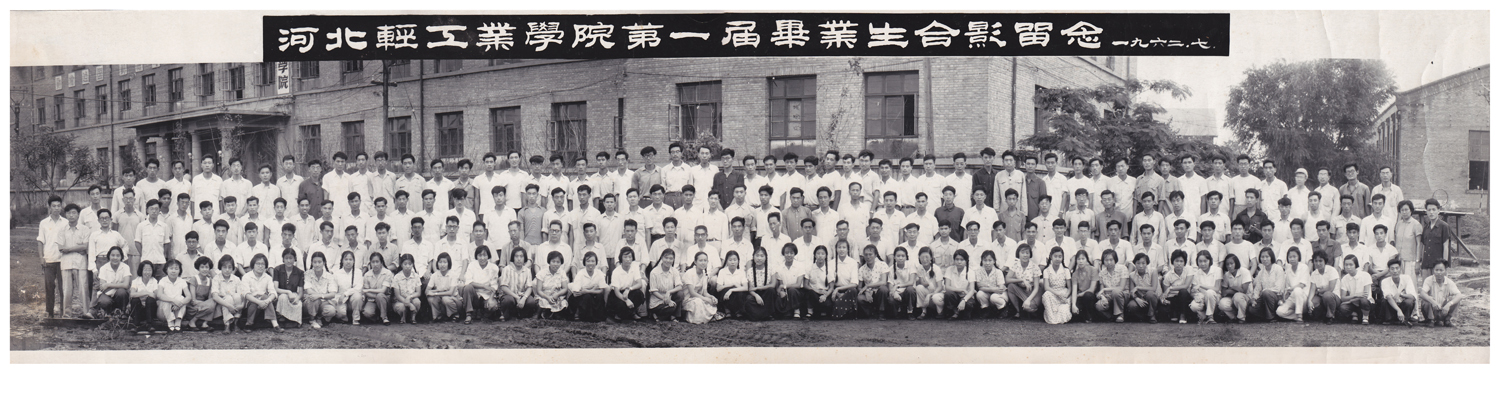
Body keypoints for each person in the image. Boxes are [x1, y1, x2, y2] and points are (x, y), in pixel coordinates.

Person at [240, 254, 283, 332]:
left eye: (263, 264)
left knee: (265, 297)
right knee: (254, 300)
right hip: (251, 304)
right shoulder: (246, 277)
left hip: (265, 304)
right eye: (258, 264)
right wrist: (258, 302)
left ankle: (275, 325)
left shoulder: (268, 277)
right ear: (253, 265)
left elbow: (273, 293)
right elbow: (246, 294)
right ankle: (249, 324)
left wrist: (267, 301)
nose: (260, 266)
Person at [461, 246, 500, 323]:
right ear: (476, 256)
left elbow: (494, 287)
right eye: (480, 255)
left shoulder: (493, 267)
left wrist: (491, 299)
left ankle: (481, 312)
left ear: (488, 256)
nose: (482, 258)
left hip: (487, 295)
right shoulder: (472, 265)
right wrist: (483, 286)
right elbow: (469, 282)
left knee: (492, 307)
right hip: (474, 295)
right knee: (467, 287)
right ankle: (469, 314)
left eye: (484, 255)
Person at [91, 246, 133, 317]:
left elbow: (126, 285)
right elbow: (102, 287)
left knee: (121, 292)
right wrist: (119, 285)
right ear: (109, 256)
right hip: (107, 294)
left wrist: (108, 285)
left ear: (121, 257)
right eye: (113, 255)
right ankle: (108, 312)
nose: (115, 258)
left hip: (119, 295)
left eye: (118, 255)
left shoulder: (125, 267)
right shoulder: (103, 268)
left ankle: (122, 312)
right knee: (104, 301)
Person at [1036, 246, 1073, 324]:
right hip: (1052, 294)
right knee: (1046, 295)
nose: (1057, 259)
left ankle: (1059, 317)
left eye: (1060, 257)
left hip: (1063, 294)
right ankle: (1052, 319)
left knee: (1063, 311)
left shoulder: (1066, 270)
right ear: (1051, 257)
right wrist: (1057, 293)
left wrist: (1066, 295)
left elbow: (1070, 288)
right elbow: (1046, 287)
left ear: (1062, 258)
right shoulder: (1046, 271)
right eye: (1055, 256)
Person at [1420, 261, 1464, 327]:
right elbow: (1422, 293)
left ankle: (1447, 320)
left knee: (1455, 299)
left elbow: (1459, 295)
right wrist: (1432, 302)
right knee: (1425, 300)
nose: (1438, 272)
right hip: (1432, 310)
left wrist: (1449, 304)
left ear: (1445, 271)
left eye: (1441, 270)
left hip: (1444, 310)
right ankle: (1430, 320)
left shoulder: (1449, 282)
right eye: (1436, 270)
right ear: (1433, 270)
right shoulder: (1428, 280)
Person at [608, 247, 646, 321]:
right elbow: (616, 292)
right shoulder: (616, 271)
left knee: (639, 294)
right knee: (621, 304)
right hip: (618, 295)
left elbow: (639, 284)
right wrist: (626, 300)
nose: (628, 259)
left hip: (628, 291)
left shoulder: (634, 268)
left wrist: (629, 289)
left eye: (630, 257)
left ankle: (632, 312)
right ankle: (619, 314)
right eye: (625, 257)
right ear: (621, 258)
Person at [302, 252, 339, 329]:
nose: (317, 265)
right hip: (311, 302)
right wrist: (319, 296)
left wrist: (319, 296)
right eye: (315, 262)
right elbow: (309, 291)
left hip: (323, 302)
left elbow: (333, 294)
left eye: (319, 262)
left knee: (331, 310)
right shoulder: (307, 274)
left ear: (324, 263)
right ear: (312, 263)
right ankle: (312, 319)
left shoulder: (329, 276)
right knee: (313, 299)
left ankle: (319, 317)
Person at [569, 252, 609, 322]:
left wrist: (588, 291)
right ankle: (584, 316)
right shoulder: (580, 273)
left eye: (593, 261)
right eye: (588, 261)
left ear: (596, 263)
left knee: (599, 296)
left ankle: (598, 317)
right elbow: (575, 293)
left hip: (592, 295)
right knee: (587, 297)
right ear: (584, 262)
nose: (590, 263)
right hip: (581, 298)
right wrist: (592, 290)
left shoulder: (599, 273)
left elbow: (601, 290)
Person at [154, 260, 192, 332]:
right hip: (163, 313)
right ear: (166, 269)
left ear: (179, 270)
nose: (173, 271)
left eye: (176, 269)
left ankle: (178, 321)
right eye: (171, 268)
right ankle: (170, 321)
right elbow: (159, 295)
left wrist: (180, 303)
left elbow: (188, 296)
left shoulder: (182, 281)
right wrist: (173, 301)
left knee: (181, 298)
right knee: (166, 299)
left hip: (177, 311)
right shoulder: (163, 280)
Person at [1335, 254, 1374, 324]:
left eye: (1351, 265)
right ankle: (1355, 315)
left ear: (1355, 265)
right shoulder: (1344, 279)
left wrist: (1350, 299)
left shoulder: (1365, 275)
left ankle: (1365, 317)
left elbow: (1365, 295)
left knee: (1363, 301)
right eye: (1346, 265)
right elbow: (1343, 298)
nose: (1348, 267)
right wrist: (1356, 296)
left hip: (1365, 303)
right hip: (1353, 303)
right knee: (1342, 307)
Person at [210, 255, 244, 333]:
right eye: (224, 267)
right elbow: (215, 296)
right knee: (228, 298)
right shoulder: (216, 278)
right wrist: (229, 306)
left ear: (233, 268)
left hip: (235, 304)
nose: (227, 270)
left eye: (230, 267)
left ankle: (236, 323)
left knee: (237, 296)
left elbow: (241, 294)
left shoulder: (236, 279)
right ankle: (227, 324)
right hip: (221, 304)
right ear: (220, 268)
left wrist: (242, 305)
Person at [857, 245, 892, 320]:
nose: (868, 257)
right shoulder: (862, 269)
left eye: (870, 254)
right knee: (859, 298)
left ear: (875, 255)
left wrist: (868, 286)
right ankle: (871, 312)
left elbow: (883, 282)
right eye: (866, 255)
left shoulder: (882, 265)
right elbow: (859, 287)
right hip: (869, 294)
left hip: (880, 293)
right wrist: (866, 292)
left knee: (883, 289)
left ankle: (882, 312)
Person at [1379, 259, 1419, 326]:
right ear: (1389, 270)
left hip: (1403, 306)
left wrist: (1401, 294)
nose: (1395, 271)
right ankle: (1390, 319)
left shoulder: (1407, 278)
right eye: (1392, 269)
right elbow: (1389, 297)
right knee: (1384, 301)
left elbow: (1412, 296)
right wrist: (1398, 310)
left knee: (1409, 301)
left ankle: (1405, 319)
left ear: (1400, 269)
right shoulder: (1384, 281)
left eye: (1397, 268)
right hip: (1392, 307)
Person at [272, 248, 305, 328]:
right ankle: (282, 318)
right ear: (283, 259)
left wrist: (297, 298)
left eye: (291, 258)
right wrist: (288, 292)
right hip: (280, 294)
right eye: (286, 258)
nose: (289, 261)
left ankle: (293, 321)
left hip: (294, 294)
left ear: (294, 259)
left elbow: (301, 292)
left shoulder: (300, 272)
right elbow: (276, 288)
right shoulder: (277, 269)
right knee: (283, 297)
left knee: (298, 303)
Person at [1161, 250, 1196, 323]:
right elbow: (1166, 293)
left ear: (1184, 263)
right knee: (1163, 311)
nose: (1179, 264)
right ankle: (1174, 313)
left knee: (1183, 292)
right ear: (1172, 262)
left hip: (1185, 297)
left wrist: (1171, 288)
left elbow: (1186, 286)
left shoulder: (1189, 270)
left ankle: (1183, 315)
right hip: (1173, 299)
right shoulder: (1168, 275)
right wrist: (1164, 299)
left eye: (1181, 261)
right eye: (1176, 261)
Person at [426, 252, 463, 322]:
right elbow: (427, 291)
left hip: (454, 300)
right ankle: (438, 316)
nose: (442, 265)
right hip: (441, 299)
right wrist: (437, 291)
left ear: (449, 263)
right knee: (431, 298)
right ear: (437, 263)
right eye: (440, 262)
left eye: (445, 262)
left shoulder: (453, 275)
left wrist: (435, 293)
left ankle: (455, 315)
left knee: (445, 299)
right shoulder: (434, 275)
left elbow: (450, 292)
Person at [534, 251, 571, 319]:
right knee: (544, 302)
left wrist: (557, 294)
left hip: (556, 296)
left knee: (563, 303)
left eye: (558, 262)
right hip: (544, 296)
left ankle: (553, 314)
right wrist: (547, 297)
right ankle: (545, 313)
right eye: (553, 261)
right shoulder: (542, 273)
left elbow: (565, 288)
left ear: (561, 263)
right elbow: (539, 290)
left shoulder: (562, 273)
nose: (555, 264)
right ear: (549, 262)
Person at [185, 257, 219, 331]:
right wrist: (206, 304)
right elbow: (193, 300)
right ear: (198, 268)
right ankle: (192, 321)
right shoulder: (194, 279)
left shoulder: (210, 281)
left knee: (214, 301)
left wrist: (207, 304)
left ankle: (204, 323)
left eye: (206, 267)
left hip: (205, 307)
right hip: (194, 307)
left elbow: (210, 299)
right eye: (202, 267)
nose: (204, 269)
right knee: (211, 305)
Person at [1189, 250, 1222, 324]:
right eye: (1200, 261)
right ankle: (1204, 315)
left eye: (1205, 261)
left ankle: (1210, 317)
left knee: (1210, 292)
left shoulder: (1217, 270)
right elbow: (1193, 291)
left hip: (1215, 298)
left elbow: (1217, 289)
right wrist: (1195, 296)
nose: (1203, 264)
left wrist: (1201, 286)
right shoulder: (1196, 273)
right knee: (1194, 306)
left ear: (1210, 261)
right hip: (1202, 298)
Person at [361, 252, 394, 325]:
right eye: (373, 262)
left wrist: (369, 290)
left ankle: (384, 318)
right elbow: (367, 293)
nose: (375, 264)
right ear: (370, 263)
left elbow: (383, 290)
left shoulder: (387, 273)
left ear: (381, 263)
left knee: (380, 296)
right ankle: (377, 317)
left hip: (385, 299)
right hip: (372, 299)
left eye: (377, 262)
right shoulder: (367, 275)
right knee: (367, 313)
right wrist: (375, 297)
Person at [128, 260, 161, 333]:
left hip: (150, 310)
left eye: (149, 270)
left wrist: (140, 294)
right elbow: (132, 294)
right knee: (135, 300)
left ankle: (149, 324)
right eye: (145, 270)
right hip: (139, 310)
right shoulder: (136, 281)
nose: (147, 272)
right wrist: (146, 293)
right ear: (141, 270)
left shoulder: (154, 281)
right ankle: (136, 325)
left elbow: (156, 295)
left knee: (150, 300)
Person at [1217, 254, 1252, 323]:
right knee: (1222, 304)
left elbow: (1244, 290)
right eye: (1227, 264)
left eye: (1231, 263)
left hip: (1246, 297)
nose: (1229, 266)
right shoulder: (1227, 275)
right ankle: (1234, 317)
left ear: (1236, 263)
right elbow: (1224, 292)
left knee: (1238, 296)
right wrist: (1236, 289)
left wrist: (1232, 288)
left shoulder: (1244, 272)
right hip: (1232, 297)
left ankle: (1242, 318)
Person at [391, 254, 424, 324]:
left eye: (410, 264)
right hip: (400, 300)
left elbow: (418, 293)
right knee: (401, 307)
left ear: (413, 264)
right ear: (401, 265)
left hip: (412, 298)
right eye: (405, 264)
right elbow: (397, 295)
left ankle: (413, 317)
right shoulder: (397, 277)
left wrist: (410, 297)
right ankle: (403, 317)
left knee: (417, 302)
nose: (407, 266)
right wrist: (409, 304)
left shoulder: (416, 276)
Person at [715, 251, 748, 319]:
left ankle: (738, 311)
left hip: (737, 296)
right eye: (730, 260)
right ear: (726, 261)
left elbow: (745, 288)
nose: (732, 262)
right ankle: (727, 311)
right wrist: (732, 284)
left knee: (739, 292)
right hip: (726, 297)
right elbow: (718, 288)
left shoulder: (741, 272)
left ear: (738, 261)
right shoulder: (722, 271)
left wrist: (732, 290)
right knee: (725, 290)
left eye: (735, 260)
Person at [1071, 250, 1100, 323]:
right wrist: (1073, 305)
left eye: (1083, 259)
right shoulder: (1075, 274)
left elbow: (1092, 289)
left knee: (1087, 296)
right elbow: (1074, 291)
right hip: (1080, 296)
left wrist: (1080, 294)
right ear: (1076, 261)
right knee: (1074, 313)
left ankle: (1090, 316)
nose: (1081, 261)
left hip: (1091, 296)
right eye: (1078, 259)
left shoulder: (1093, 270)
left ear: (1087, 259)